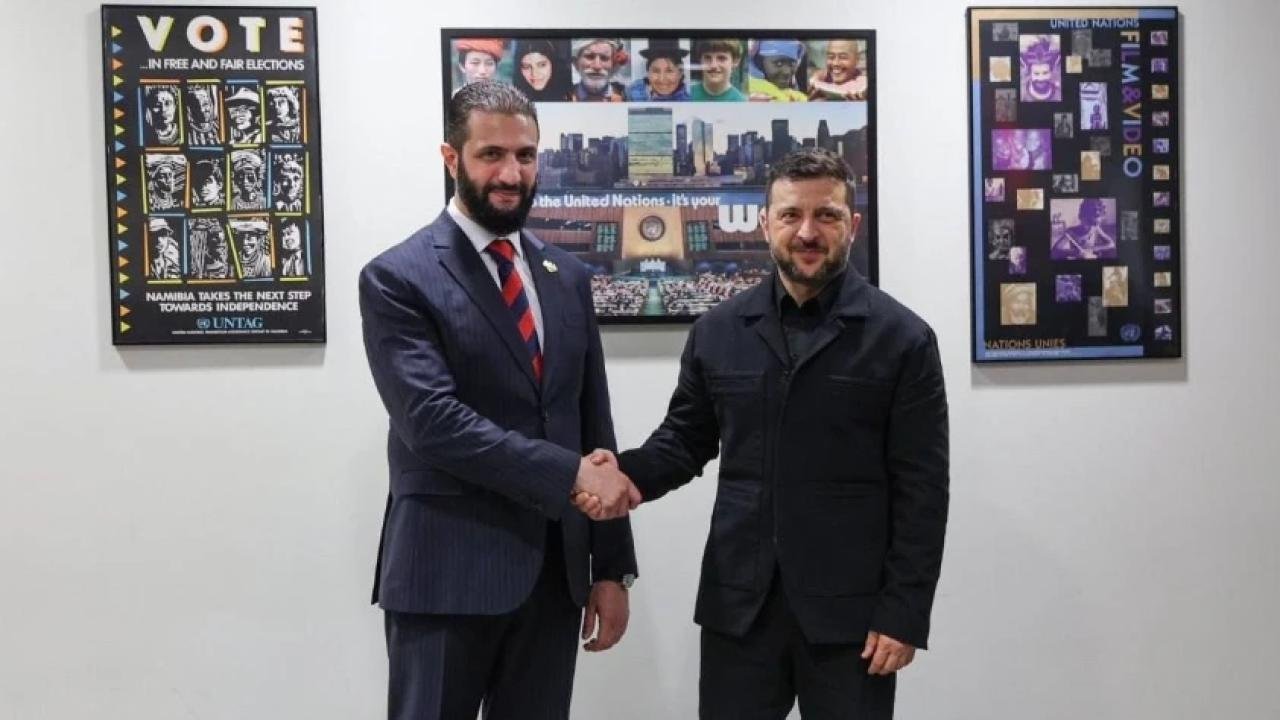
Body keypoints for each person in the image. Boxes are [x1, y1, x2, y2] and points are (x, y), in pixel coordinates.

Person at [589, 148, 949, 719]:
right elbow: (685, 439)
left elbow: (923, 489)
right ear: (764, 223)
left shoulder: (903, 339)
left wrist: (903, 612)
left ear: (853, 225)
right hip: (739, 609)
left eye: (826, 215)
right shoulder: (718, 331)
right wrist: (625, 475)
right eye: (790, 215)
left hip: (852, 619)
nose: (807, 232)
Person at [358, 80, 640, 720]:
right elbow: (432, 422)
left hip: (554, 579)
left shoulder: (567, 277)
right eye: (491, 155)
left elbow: (593, 426)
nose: (511, 174)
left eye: (525, 155)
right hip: (444, 575)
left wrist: (610, 566)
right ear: (450, 158)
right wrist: (569, 474)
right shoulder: (398, 277)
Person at [627, 39, 691, 101]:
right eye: (656, 71)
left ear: (680, 74)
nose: (661, 79)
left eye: (669, 71)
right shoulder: (629, 98)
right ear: (648, 73)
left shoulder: (690, 104)